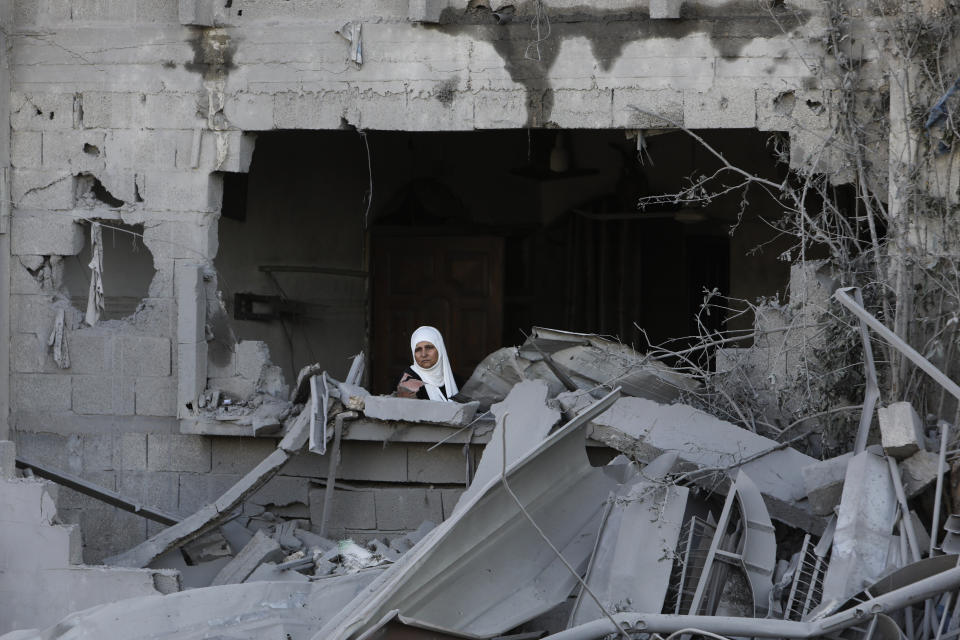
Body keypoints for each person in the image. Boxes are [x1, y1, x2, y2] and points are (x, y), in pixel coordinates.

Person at [397, 326, 459, 402]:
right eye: (418, 350)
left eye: (429, 348)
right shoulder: (408, 380)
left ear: (440, 349)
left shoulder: (453, 379)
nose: (423, 354)